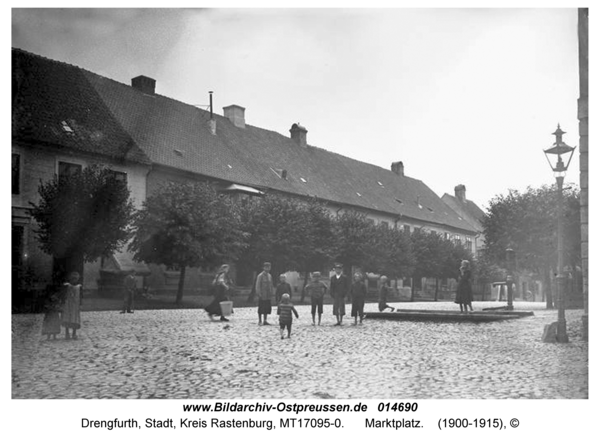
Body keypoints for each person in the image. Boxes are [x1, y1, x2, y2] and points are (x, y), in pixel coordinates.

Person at [61, 271, 83, 340]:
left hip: (75, 305)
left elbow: (80, 296)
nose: (74, 280)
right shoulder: (67, 286)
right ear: (70, 279)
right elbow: (64, 295)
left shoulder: (79, 287)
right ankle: (67, 333)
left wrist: (80, 304)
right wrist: (63, 302)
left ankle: (74, 333)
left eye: (75, 279)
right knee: (67, 317)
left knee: (74, 318)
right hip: (68, 304)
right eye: (72, 279)